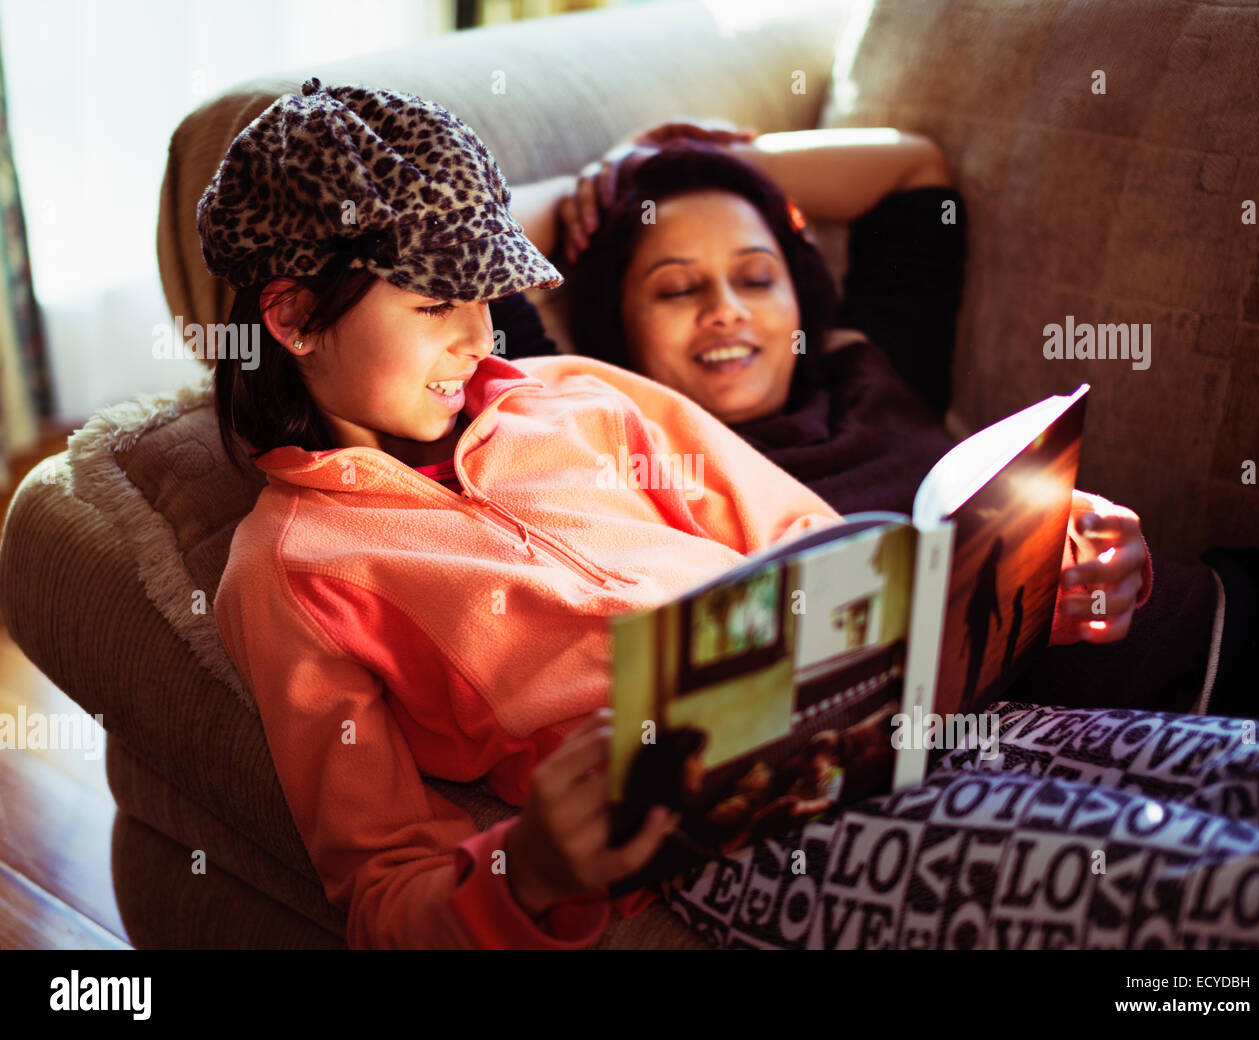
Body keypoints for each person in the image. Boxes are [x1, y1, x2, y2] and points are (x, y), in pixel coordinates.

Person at [201, 81, 853, 949]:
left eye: (486, 297)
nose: (479, 339)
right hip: (748, 825)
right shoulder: (291, 571)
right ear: (292, 319)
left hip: (862, 718)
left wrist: (1031, 547)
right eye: (436, 304)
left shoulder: (583, 395)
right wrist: (534, 872)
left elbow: (811, 542)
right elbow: (384, 888)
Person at [500, 124, 1259, 721]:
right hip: (1096, 742)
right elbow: (471, 240)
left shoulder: (865, 363)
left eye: (757, 276)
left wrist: (694, 167)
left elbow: (914, 168)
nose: (727, 311)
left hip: (1235, 627)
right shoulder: (615, 439)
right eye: (676, 290)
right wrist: (594, 188)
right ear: (615, 332)